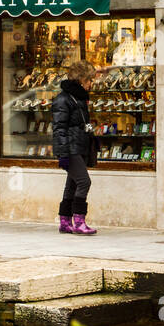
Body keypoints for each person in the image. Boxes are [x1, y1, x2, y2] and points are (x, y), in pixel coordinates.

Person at [52, 60, 98, 235]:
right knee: (84, 181)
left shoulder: (79, 98)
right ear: (81, 80)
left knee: (72, 184)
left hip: (78, 146)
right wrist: (63, 153)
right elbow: (59, 128)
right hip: (70, 148)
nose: (91, 84)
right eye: (89, 80)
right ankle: (79, 221)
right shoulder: (63, 100)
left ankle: (65, 222)